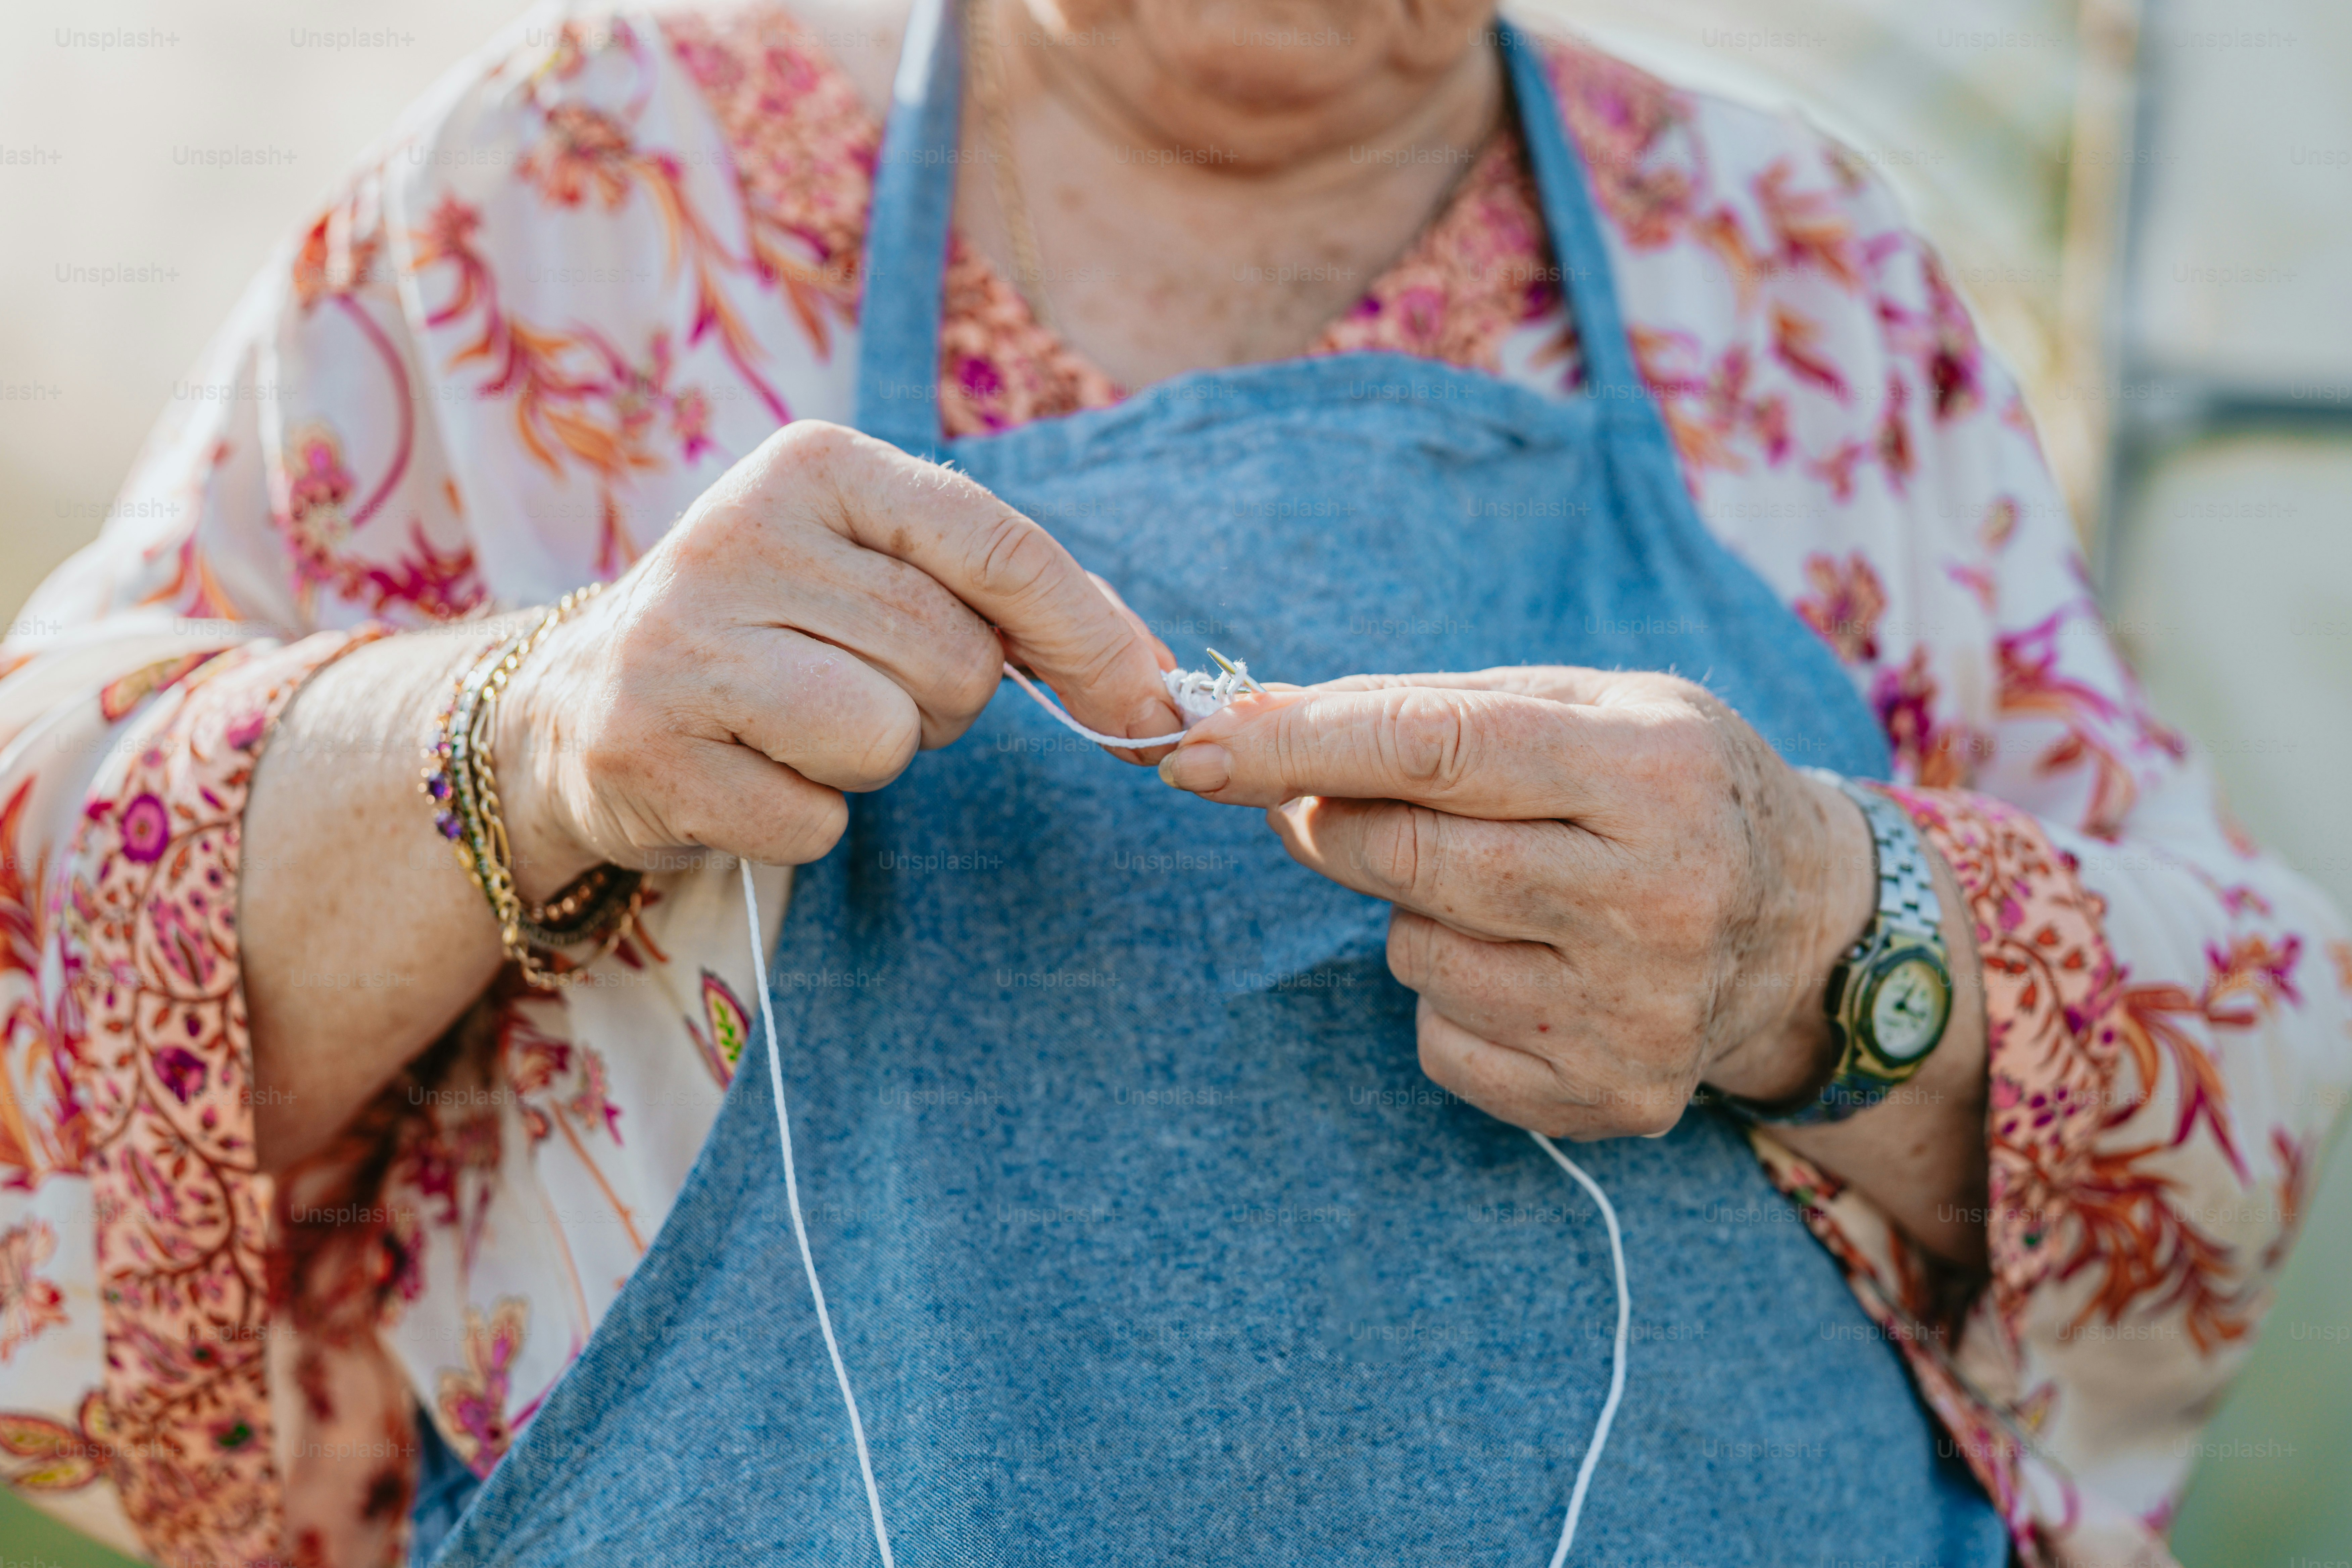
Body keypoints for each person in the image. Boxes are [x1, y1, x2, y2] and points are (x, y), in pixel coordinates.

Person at [0, 0, 2342, 1564]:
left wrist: (1822, 939)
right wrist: (524, 735)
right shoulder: (569, 204)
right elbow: (33, 958)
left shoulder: (1805, 275)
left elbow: (2244, 1052)